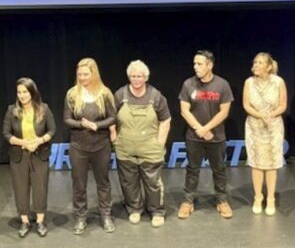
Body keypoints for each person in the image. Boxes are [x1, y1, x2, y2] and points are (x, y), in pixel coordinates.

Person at [111, 60, 172, 227]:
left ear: (146, 77)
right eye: (133, 76)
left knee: (153, 183)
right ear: (128, 76)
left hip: (150, 148)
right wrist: (114, 138)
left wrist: (159, 144)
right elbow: (110, 118)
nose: (136, 79)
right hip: (125, 147)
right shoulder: (120, 95)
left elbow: (166, 120)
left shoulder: (156, 96)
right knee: (128, 181)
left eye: (139, 76)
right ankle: (134, 209)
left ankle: (156, 211)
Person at [178, 50, 235, 219]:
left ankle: (222, 201)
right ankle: (188, 201)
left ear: (210, 65)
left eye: (200, 64)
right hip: (194, 137)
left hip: (216, 137)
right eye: (194, 63)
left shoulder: (222, 85)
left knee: (219, 170)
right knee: (192, 170)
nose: (195, 67)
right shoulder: (188, 84)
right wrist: (200, 130)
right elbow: (184, 110)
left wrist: (207, 129)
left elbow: (224, 112)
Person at [64, 58, 117, 234]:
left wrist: (98, 125)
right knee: (79, 184)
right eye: (79, 74)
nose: (82, 77)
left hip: (100, 145)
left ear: (93, 73)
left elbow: (112, 117)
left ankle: (106, 215)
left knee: (103, 182)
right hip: (78, 146)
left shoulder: (104, 93)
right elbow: (67, 119)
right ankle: (80, 218)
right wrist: (82, 124)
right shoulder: (72, 94)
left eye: (85, 74)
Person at [3, 77, 56, 238]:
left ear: (32, 92)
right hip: (19, 155)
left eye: (25, 92)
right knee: (21, 189)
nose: (22, 95)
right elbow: (6, 133)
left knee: (40, 187)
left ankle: (40, 221)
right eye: (19, 92)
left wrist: (39, 140)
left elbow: (52, 130)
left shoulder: (44, 109)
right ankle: (25, 221)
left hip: (39, 154)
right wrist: (22, 143)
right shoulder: (12, 110)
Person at [242, 52, 287, 215]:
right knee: (256, 162)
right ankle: (258, 197)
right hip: (254, 126)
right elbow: (246, 105)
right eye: (255, 62)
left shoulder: (278, 82)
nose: (256, 65)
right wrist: (261, 116)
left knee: (271, 163)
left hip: (273, 126)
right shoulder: (249, 82)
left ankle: (270, 198)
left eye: (260, 63)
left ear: (268, 67)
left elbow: (282, 105)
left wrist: (270, 116)